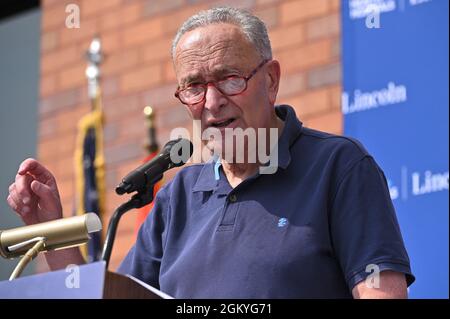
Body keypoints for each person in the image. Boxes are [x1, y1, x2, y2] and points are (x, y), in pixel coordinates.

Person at [6, 7, 414, 298]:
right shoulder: (177, 196)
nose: (212, 101)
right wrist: (51, 231)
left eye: (229, 79)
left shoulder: (338, 167)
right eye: (194, 87)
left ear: (270, 80)